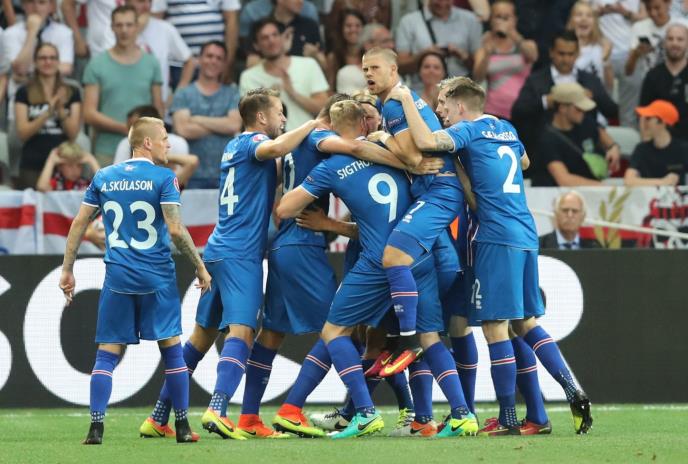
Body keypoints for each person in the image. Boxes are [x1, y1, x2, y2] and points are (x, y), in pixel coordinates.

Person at [387, 76, 593, 435]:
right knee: (525, 322)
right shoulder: (505, 127)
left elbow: (426, 141)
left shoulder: (468, 130)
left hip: (494, 235)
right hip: (524, 232)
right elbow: (524, 162)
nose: (440, 111)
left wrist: (405, 99)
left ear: (460, 106)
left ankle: (508, 418)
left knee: (495, 327)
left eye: (444, 104)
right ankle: (570, 388)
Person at [276, 99, 478, 439]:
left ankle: (365, 413)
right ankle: (461, 414)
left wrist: (311, 200)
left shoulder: (331, 166)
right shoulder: (394, 155)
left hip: (378, 261)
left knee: (335, 332)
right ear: (364, 124)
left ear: (332, 129)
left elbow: (284, 209)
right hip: (419, 254)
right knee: (429, 338)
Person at [138, 88, 325, 441]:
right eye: (280, 112)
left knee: (201, 338)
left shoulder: (233, 146)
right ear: (262, 117)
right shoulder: (255, 141)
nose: (284, 119)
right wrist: (314, 123)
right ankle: (218, 409)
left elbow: (275, 167)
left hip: (219, 249)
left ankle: (158, 416)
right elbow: (275, 149)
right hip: (241, 254)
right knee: (242, 332)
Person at [59, 116, 211, 444]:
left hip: (118, 276)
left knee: (107, 353)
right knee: (171, 350)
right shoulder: (164, 177)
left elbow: (79, 223)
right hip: (157, 276)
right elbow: (175, 229)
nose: (168, 143)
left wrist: (67, 268)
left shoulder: (104, 177)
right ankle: (182, 427)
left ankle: (96, 428)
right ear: (147, 143)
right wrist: (199, 266)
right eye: (164, 137)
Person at [362, 47, 465, 369]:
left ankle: (404, 339)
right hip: (431, 191)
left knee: (393, 256)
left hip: (438, 189)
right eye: (365, 69)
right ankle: (412, 335)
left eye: (375, 68)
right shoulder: (396, 101)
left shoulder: (394, 103)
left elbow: (411, 157)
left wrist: (382, 137)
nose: (368, 74)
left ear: (393, 70)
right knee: (431, 321)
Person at [511, 30, 620, 165]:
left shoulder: (590, 80)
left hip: (584, 151)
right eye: (561, 54)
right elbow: (517, 112)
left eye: (571, 54)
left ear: (577, 53)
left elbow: (612, 111)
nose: (566, 59)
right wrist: (545, 101)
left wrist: (594, 96)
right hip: (544, 153)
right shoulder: (536, 80)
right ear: (551, 52)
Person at [83, 5, 163, 166]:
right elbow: (89, 113)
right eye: (119, 25)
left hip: (144, 152)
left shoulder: (151, 63)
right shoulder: (97, 64)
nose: (124, 30)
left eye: (129, 25)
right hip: (107, 150)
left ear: (137, 26)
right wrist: (126, 128)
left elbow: (158, 109)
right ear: (112, 27)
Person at [170, 41, 241, 188]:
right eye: (209, 56)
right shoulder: (183, 93)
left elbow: (234, 125)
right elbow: (183, 129)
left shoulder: (232, 92)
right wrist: (222, 125)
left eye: (219, 58)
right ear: (199, 59)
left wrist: (197, 119)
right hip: (190, 175)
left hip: (226, 174)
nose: (213, 61)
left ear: (224, 64)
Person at [239, 18, 329, 132]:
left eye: (275, 35)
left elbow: (323, 108)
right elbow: (250, 121)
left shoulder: (308, 64)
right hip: (271, 141)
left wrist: (293, 93)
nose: (271, 40)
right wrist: (268, 99)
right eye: (265, 38)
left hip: (307, 137)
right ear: (256, 45)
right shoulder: (249, 77)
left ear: (282, 38)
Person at [14, 43, 81, 188]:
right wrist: (48, 112)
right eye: (43, 58)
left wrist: (60, 109)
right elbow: (22, 133)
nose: (48, 62)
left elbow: (73, 134)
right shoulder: (23, 92)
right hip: (32, 162)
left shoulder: (72, 91)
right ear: (35, 62)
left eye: (52, 58)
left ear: (58, 61)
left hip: (64, 164)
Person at [532, 82, 608, 187]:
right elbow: (564, 180)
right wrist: (605, 188)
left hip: (585, 192)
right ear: (562, 108)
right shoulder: (547, 139)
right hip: (555, 195)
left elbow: (601, 133)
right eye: (579, 109)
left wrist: (613, 147)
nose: (583, 112)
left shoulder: (585, 124)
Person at [473, 0, 538, 120]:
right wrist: (487, 52)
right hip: (492, 110)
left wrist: (513, 34)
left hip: (521, 109)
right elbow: (478, 77)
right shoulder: (485, 43)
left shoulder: (525, 43)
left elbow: (533, 56)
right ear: (491, 19)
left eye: (506, 17)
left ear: (515, 19)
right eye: (498, 17)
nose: (502, 21)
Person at [395, 0, 482, 90]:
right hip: (422, 90)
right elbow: (400, 66)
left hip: (460, 91)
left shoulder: (470, 20)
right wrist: (424, 55)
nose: (442, 4)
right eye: (438, 1)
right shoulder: (408, 22)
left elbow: (480, 69)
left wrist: (463, 55)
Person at [125, 0, 194, 106]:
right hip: (126, 106)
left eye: (149, 1)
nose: (147, 6)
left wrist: (177, 95)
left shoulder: (165, 28)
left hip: (157, 109)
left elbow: (189, 61)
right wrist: (136, 30)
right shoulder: (116, 29)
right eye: (141, 1)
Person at [151, 0, 240, 81]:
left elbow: (231, 21)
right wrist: (161, 69)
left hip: (214, 63)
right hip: (177, 65)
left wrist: (227, 64)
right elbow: (155, 25)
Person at [114, 105, 199, 187]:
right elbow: (117, 178)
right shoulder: (126, 143)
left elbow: (191, 163)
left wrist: (158, 156)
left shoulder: (177, 143)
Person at [592, 0, 646, 127]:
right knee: (600, 105)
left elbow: (646, 18)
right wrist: (599, 12)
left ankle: (629, 138)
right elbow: (581, 11)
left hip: (630, 53)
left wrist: (624, 12)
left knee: (629, 112)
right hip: (602, 53)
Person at [639, 23, 688, 140]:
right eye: (670, 39)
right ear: (664, 43)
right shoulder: (653, 75)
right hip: (659, 142)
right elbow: (643, 114)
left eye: (680, 39)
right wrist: (646, 140)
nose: (675, 43)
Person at [625, 99, 688, 185]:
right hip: (648, 194)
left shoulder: (683, 149)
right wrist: (663, 182)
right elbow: (628, 180)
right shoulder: (641, 149)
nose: (643, 122)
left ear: (662, 122)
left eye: (648, 118)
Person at [567, 1, 614, 89]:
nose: (584, 19)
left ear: (595, 22)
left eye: (589, 16)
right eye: (579, 15)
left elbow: (609, 85)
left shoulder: (601, 47)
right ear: (571, 20)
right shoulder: (565, 47)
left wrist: (605, 59)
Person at [325, 9, 366, 92]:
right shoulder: (333, 58)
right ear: (341, 29)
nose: (353, 29)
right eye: (348, 26)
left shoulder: (371, 55)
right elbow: (330, 89)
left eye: (358, 26)